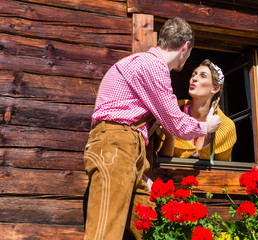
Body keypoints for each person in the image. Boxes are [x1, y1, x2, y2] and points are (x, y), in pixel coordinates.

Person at [83, 18, 221, 240]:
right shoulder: (152, 67)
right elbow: (175, 122)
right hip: (116, 147)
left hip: (123, 150)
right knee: (105, 233)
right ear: (185, 47)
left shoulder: (142, 64)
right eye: (189, 52)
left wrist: (144, 179)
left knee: (147, 227)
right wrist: (206, 126)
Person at [158, 59, 236, 161]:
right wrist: (170, 137)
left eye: (203, 76)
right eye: (193, 74)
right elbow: (159, 159)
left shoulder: (226, 127)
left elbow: (222, 169)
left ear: (215, 89)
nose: (194, 78)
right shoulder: (171, 112)